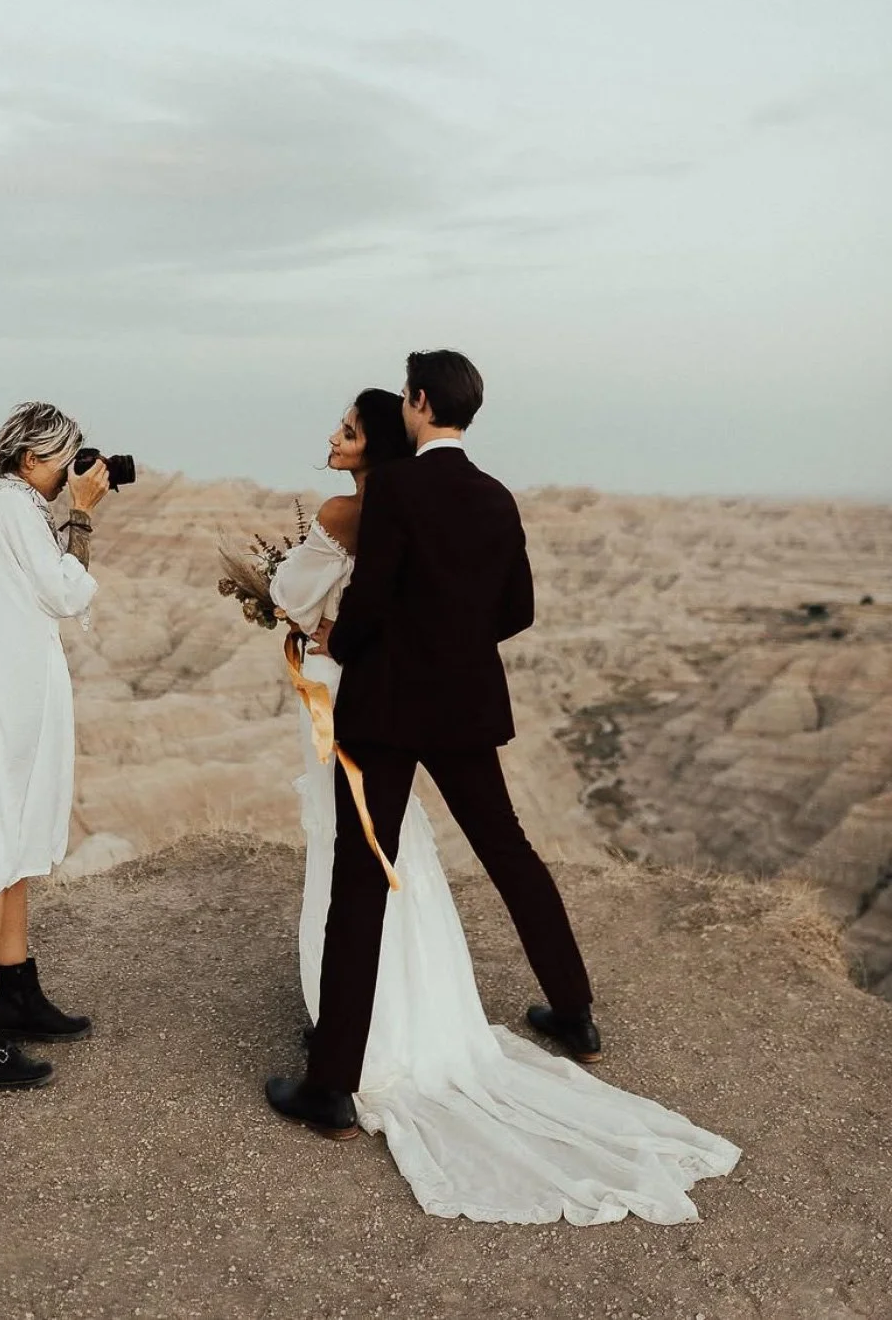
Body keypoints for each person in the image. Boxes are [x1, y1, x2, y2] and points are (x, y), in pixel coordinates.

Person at [265, 353, 740, 1222]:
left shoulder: (399, 493)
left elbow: (366, 612)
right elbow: (514, 609)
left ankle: (330, 1086)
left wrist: (354, 632)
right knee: (510, 852)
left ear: (416, 403)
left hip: (386, 711)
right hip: (467, 707)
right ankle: (573, 1009)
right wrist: (450, 633)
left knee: (362, 881)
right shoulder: (495, 497)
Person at [0, 401, 110, 1090]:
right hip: (14, 701)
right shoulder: (14, 509)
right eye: (63, 458)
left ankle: (16, 991)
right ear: (29, 458)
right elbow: (67, 591)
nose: (69, 470)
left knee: (11, 847)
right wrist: (86, 510)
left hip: (14, 693)